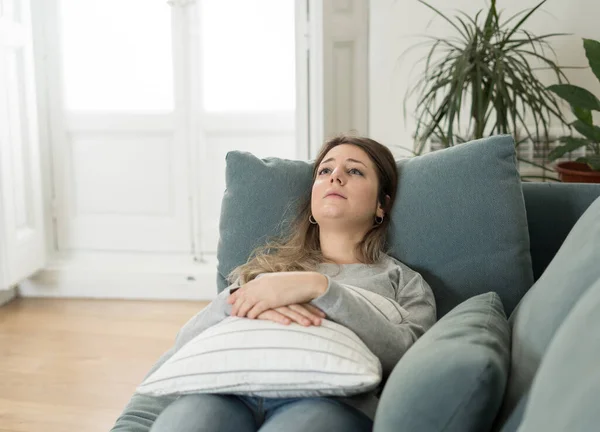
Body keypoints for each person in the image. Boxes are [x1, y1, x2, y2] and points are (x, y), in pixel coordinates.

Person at [143, 135, 437, 431]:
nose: (335, 176)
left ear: (381, 205)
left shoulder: (403, 281)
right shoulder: (263, 269)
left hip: (328, 402)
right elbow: (184, 344)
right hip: (228, 392)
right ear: (311, 201)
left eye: (355, 171)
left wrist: (320, 288)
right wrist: (237, 300)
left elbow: (407, 358)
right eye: (325, 171)